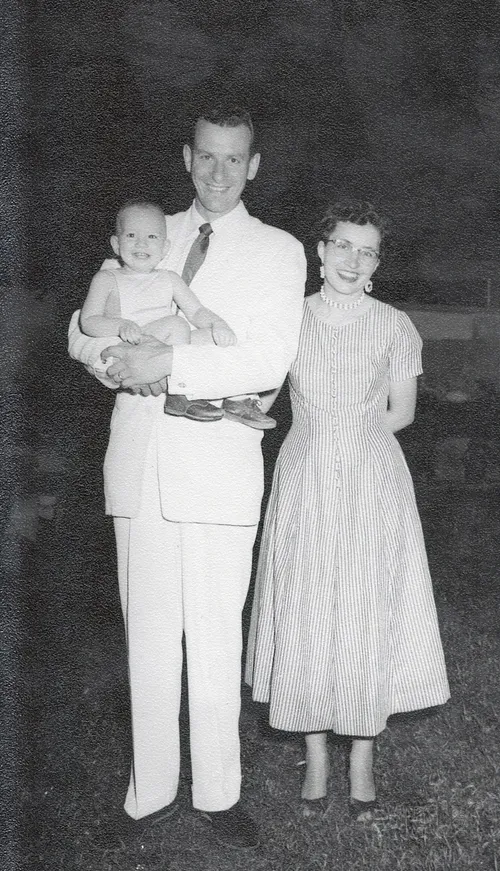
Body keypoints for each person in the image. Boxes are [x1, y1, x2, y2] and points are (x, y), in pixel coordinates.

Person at [68, 106, 306, 848]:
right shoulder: (146, 229)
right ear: (186, 156)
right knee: (147, 634)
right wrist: (109, 358)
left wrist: (166, 362)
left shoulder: (278, 251)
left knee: (212, 637)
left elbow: (267, 356)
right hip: (139, 462)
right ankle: (150, 792)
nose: (218, 172)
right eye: (206, 156)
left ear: (254, 165)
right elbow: (79, 325)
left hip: (218, 464)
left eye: (234, 159)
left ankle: (218, 791)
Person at [245, 200, 450, 820]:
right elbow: (263, 393)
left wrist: (351, 445)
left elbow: (402, 412)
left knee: (363, 607)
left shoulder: (395, 326)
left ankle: (361, 762)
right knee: (307, 605)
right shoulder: (290, 318)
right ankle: (315, 763)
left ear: (378, 264)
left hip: (370, 481)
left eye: (367, 251)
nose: (352, 260)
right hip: (304, 476)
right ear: (320, 250)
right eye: (341, 245)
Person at [80, 198, 276, 428]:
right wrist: (120, 326)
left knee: (213, 338)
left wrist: (218, 325)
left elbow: (196, 311)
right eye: (131, 236)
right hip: (132, 347)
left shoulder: (168, 278)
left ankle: (238, 399)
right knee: (177, 324)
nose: (141, 244)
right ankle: (178, 396)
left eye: (151, 237)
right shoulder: (107, 279)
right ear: (116, 244)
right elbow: (88, 321)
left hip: (166, 344)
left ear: (165, 248)